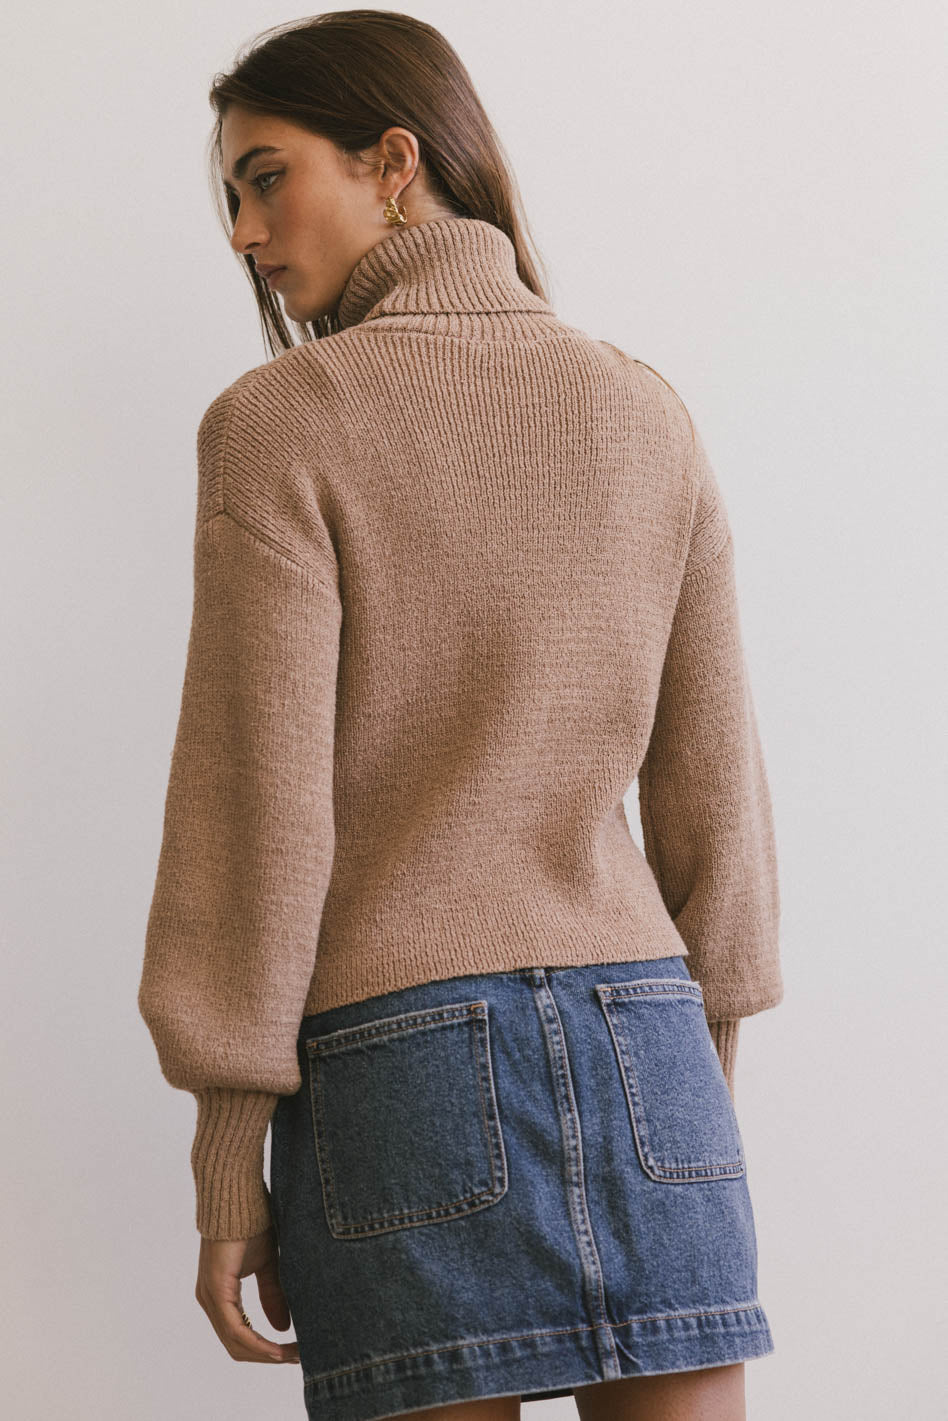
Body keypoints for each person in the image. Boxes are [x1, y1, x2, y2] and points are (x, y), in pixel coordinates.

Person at [137, 12, 784, 1421]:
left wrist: (229, 1156)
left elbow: (256, 812)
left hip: (401, 1064)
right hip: (655, 1049)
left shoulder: (282, 421)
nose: (245, 233)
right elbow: (718, 793)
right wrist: (700, 1087)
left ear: (393, 163)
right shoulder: (642, 410)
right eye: (234, 197)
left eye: (265, 178)